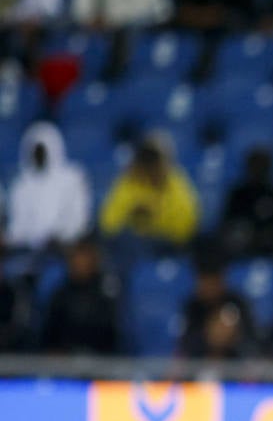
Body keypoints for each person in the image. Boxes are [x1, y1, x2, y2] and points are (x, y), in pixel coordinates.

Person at [99, 134, 200, 247]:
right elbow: (108, 225)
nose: (150, 166)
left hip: (168, 245)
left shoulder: (175, 182)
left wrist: (157, 215)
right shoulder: (129, 181)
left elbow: (187, 228)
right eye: (146, 159)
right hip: (132, 245)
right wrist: (131, 212)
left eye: (154, 160)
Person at [6, 122, 92, 253]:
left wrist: (62, 235)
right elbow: (18, 227)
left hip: (66, 247)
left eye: (42, 150)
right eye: (35, 150)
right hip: (30, 251)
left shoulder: (73, 178)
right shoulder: (21, 185)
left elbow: (79, 220)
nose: (38, 155)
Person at [41, 235, 121, 355]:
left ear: (94, 261)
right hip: (65, 362)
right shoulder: (60, 295)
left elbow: (112, 336)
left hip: (100, 362)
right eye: (76, 257)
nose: (80, 263)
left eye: (85, 257)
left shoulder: (106, 295)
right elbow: (50, 336)